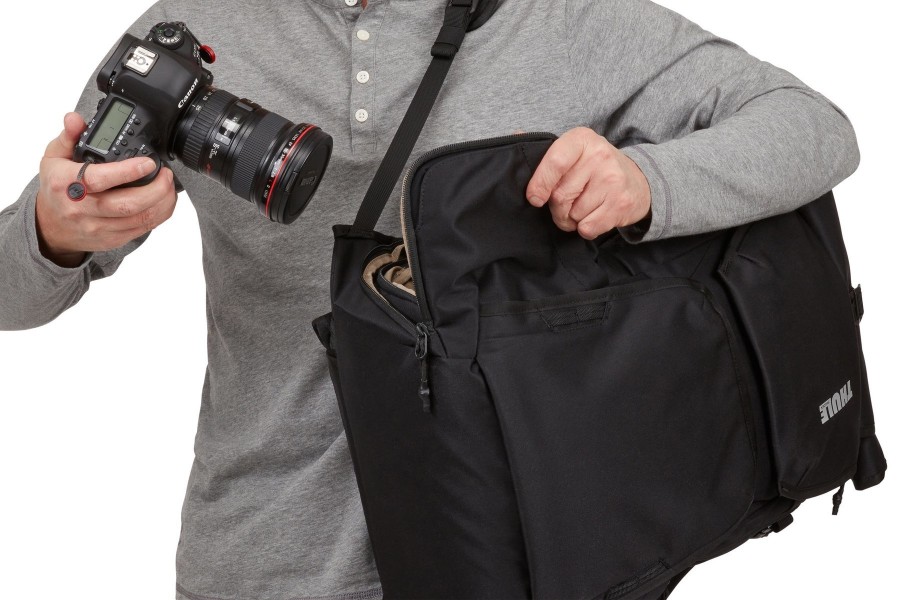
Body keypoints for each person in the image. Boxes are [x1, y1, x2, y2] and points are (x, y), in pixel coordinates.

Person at [0, 1, 861, 599]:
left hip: (526, 559)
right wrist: (54, 230)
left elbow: (814, 127)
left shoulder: (567, 21)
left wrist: (647, 181)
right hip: (259, 562)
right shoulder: (193, 31)